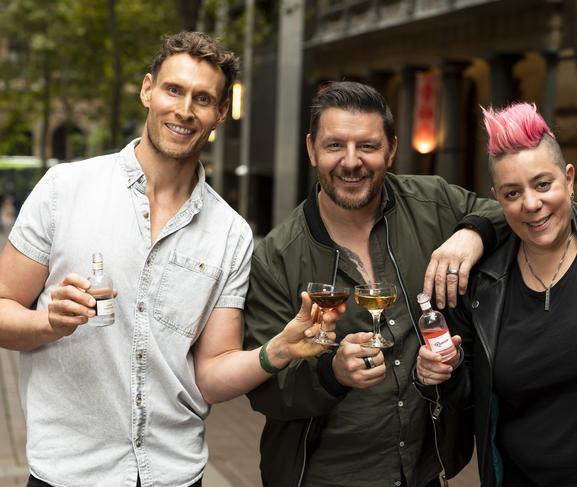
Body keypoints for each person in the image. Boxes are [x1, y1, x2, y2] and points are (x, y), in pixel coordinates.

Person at [0, 32, 343, 487]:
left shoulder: (230, 233)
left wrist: (277, 350)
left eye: (202, 99)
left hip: (174, 474)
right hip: (67, 473)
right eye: (173, 90)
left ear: (221, 113)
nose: (184, 110)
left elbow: (210, 375)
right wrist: (50, 324)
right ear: (148, 90)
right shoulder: (64, 189)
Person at [244, 81, 507, 487]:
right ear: (312, 149)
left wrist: (471, 233)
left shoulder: (432, 202)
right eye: (335, 146)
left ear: (392, 149)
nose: (351, 162)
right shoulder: (277, 256)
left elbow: (507, 210)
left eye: (367, 146)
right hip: (323, 477)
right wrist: (331, 373)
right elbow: (265, 392)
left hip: (423, 472)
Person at [418, 102, 577, 487]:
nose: (530, 204)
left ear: (569, 179)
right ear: (496, 198)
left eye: (543, 185)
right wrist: (437, 374)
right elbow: (465, 398)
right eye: (512, 193)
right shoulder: (481, 285)